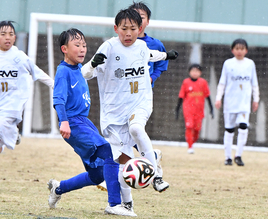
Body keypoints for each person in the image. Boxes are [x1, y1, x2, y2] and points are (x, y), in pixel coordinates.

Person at [81, 9, 178, 215]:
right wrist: (92, 64)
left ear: (140, 29)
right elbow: (85, 74)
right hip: (113, 114)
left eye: (133, 29)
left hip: (139, 103)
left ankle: (156, 176)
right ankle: (127, 204)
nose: (128, 33)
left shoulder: (142, 45)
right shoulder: (108, 47)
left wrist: (166, 55)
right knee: (123, 163)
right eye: (124, 29)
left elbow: (150, 55)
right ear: (116, 29)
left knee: (136, 127)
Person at [47, 28, 135, 217]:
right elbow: (58, 100)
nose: (82, 49)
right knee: (110, 152)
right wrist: (64, 122)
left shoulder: (79, 68)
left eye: (84, 45)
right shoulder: (63, 71)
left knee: (97, 175)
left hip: (84, 122)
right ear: (64, 49)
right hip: (73, 123)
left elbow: (92, 68)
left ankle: (58, 188)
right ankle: (114, 203)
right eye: (77, 45)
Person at [0, 21, 54, 191]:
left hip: (13, 104)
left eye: (11, 34)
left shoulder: (20, 57)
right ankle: (12, 132)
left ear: (15, 37)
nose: (7, 37)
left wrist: (56, 85)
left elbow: (38, 73)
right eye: (3, 34)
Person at [215, 39, 259, 166]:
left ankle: (238, 155)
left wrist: (256, 99)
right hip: (230, 102)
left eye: (242, 48)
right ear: (232, 50)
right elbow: (222, 82)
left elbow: (254, 83)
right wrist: (219, 97)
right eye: (237, 48)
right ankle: (228, 157)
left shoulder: (250, 64)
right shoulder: (228, 63)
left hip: (244, 103)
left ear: (246, 50)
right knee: (229, 130)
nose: (239, 51)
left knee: (243, 127)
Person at [175, 64, 214, 154]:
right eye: (193, 71)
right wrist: (177, 109)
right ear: (189, 72)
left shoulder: (203, 82)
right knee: (189, 127)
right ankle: (190, 146)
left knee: (197, 129)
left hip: (199, 110)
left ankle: (192, 142)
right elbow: (181, 97)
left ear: (200, 73)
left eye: (197, 71)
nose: (195, 73)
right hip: (188, 109)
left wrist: (211, 109)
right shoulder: (186, 82)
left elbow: (207, 96)